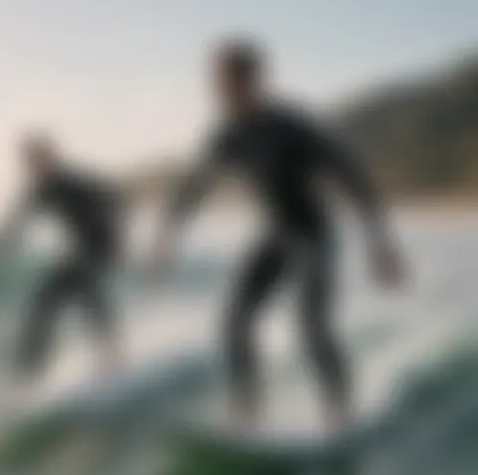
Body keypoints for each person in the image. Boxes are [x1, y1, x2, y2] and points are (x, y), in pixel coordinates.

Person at [150, 40, 405, 432]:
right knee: (235, 320)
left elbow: (351, 175)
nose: (219, 95)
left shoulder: (292, 126)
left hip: (312, 236)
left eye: (226, 86)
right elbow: (195, 185)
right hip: (273, 236)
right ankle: (248, 405)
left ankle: (340, 408)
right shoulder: (228, 134)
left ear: (252, 82)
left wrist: (380, 243)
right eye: (216, 86)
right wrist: (168, 237)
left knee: (310, 325)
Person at [0, 132, 124, 381]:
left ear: (51, 157)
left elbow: (114, 204)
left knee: (85, 288)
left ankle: (110, 355)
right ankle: (30, 370)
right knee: (45, 302)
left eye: (38, 159)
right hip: (77, 251)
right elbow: (15, 224)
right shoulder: (39, 191)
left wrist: (115, 241)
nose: (33, 167)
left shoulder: (77, 182)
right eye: (29, 162)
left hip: (102, 246)